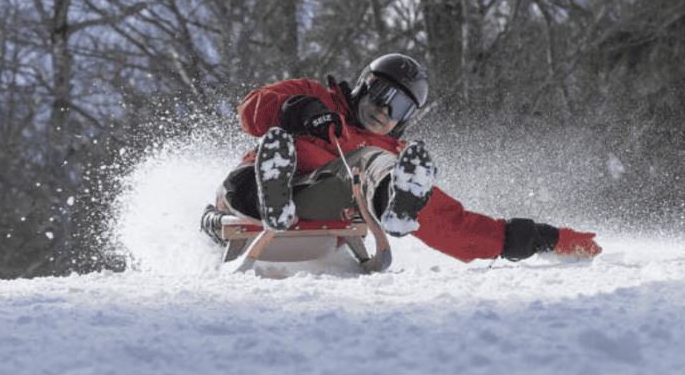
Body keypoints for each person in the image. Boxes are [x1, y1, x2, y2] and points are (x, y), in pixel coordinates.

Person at [201, 53, 602, 264]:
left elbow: (452, 225)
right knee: (272, 154)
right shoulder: (316, 97)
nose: (384, 111)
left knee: (374, 164)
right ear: (363, 85)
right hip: (250, 192)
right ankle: (275, 201)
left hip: (326, 201)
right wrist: (297, 110)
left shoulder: (393, 154)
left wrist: (548, 239)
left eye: (400, 109)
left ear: (408, 119)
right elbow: (249, 109)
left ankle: (393, 201)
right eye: (381, 95)